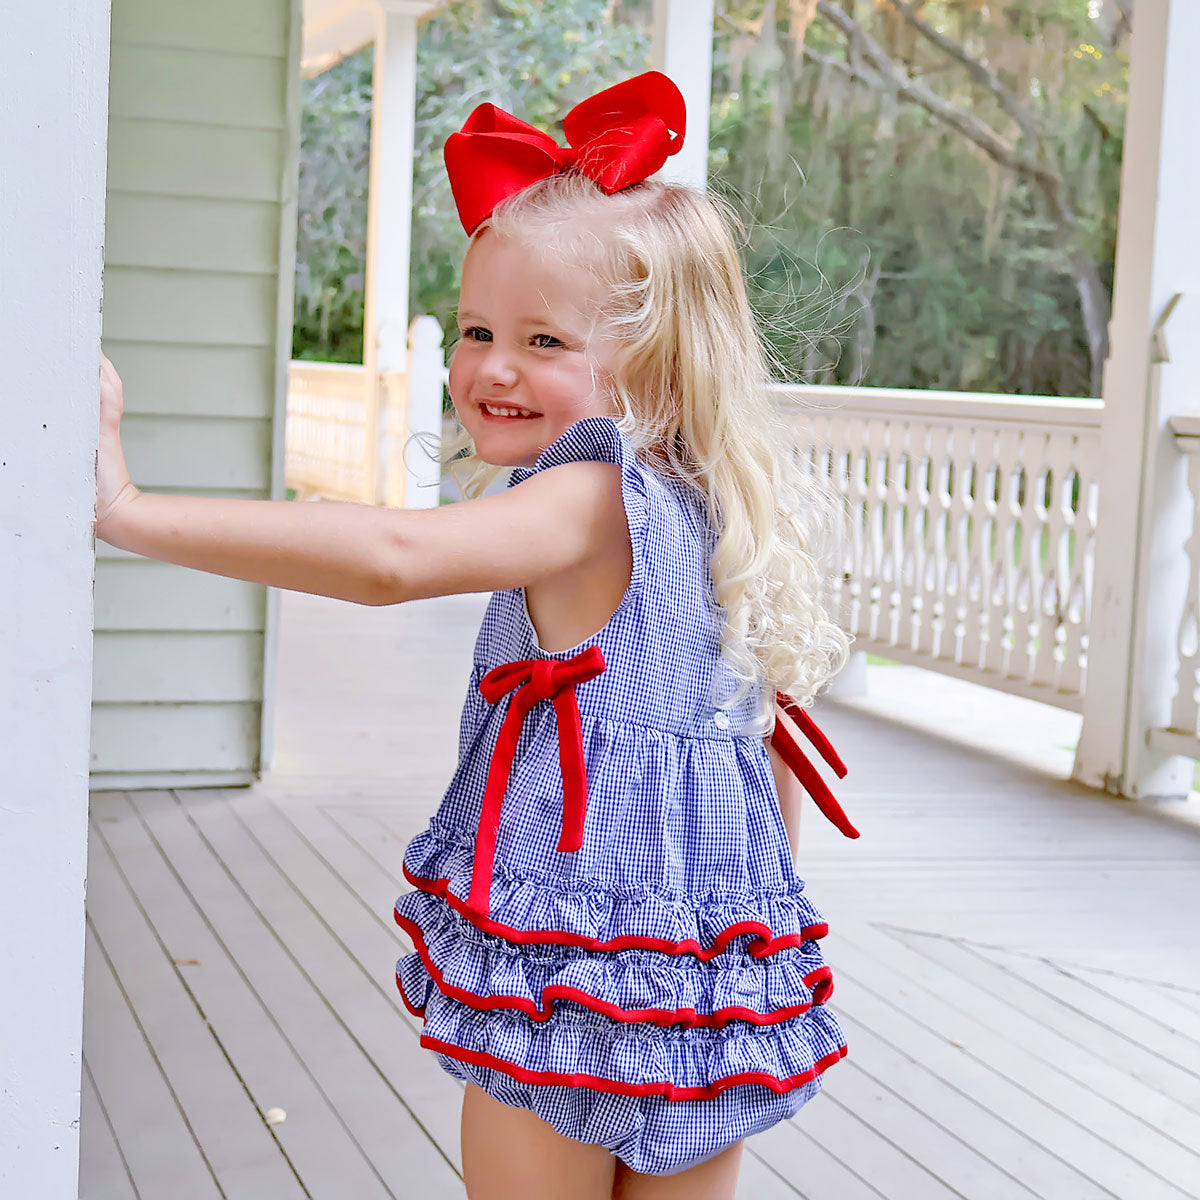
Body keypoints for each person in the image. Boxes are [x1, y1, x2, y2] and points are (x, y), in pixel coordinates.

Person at [95, 70, 859, 1200]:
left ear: (651, 361)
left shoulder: (592, 498)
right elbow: (767, 739)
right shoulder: (709, 506)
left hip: (572, 974)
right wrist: (749, 939)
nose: (493, 366)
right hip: (703, 981)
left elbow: (392, 559)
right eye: (477, 330)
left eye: (543, 338)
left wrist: (126, 513)